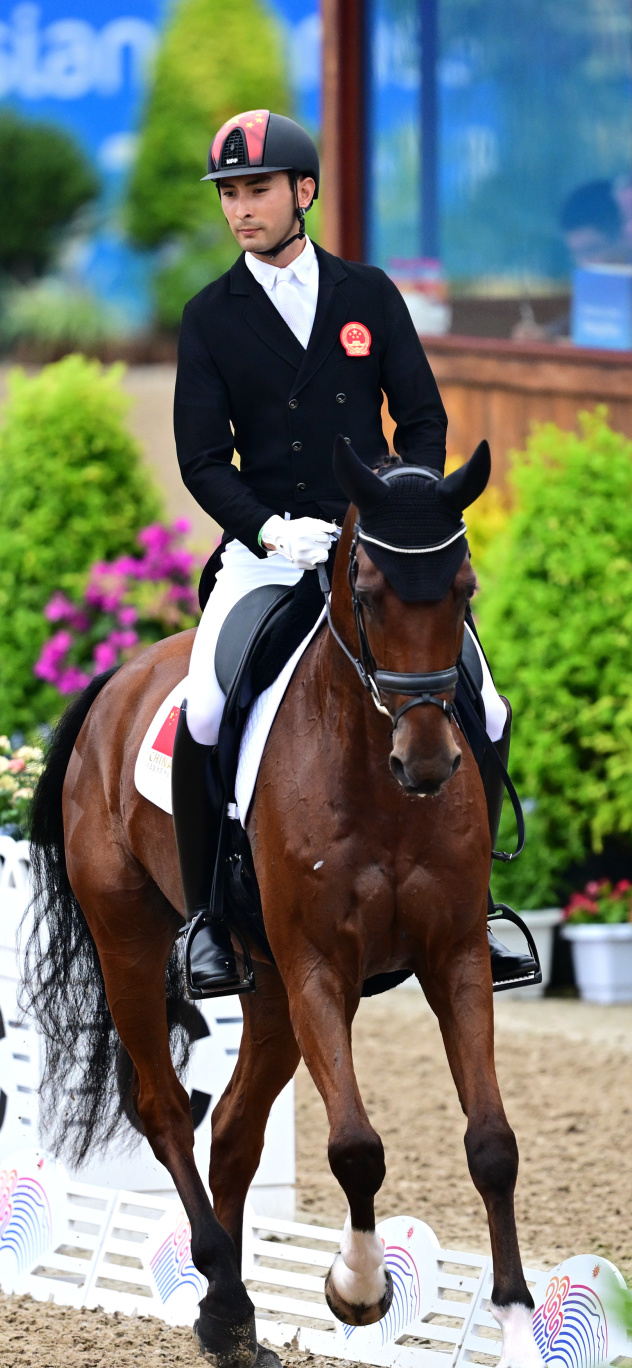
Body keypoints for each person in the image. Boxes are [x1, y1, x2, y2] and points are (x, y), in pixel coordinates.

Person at [171, 109, 536, 995]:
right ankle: (209, 921)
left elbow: (421, 417)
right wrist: (265, 529)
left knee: (484, 705)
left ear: (303, 193)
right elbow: (200, 458)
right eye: (229, 194)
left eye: (256, 190)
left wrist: (401, 504)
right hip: (269, 551)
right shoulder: (210, 316)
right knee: (208, 709)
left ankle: (479, 907)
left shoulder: (368, 295)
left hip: (375, 545)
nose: (241, 209)